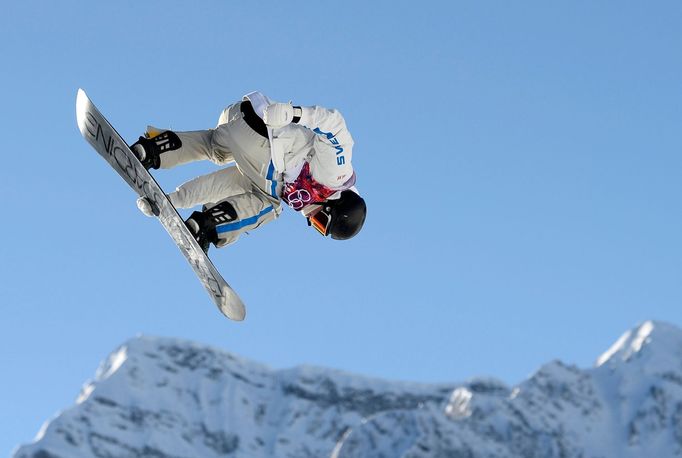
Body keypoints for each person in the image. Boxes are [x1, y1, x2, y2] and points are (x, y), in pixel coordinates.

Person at [131, 91, 366, 253]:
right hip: (265, 135)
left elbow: (228, 183)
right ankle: (208, 226)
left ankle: (151, 149)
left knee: (215, 149)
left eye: (316, 226)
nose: (310, 218)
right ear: (336, 201)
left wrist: (173, 201)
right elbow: (336, 126)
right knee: (270, 207)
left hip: (240, 116)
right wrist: (293, 113)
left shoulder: (291, 189)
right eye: (320, 219)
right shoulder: (336, 176)